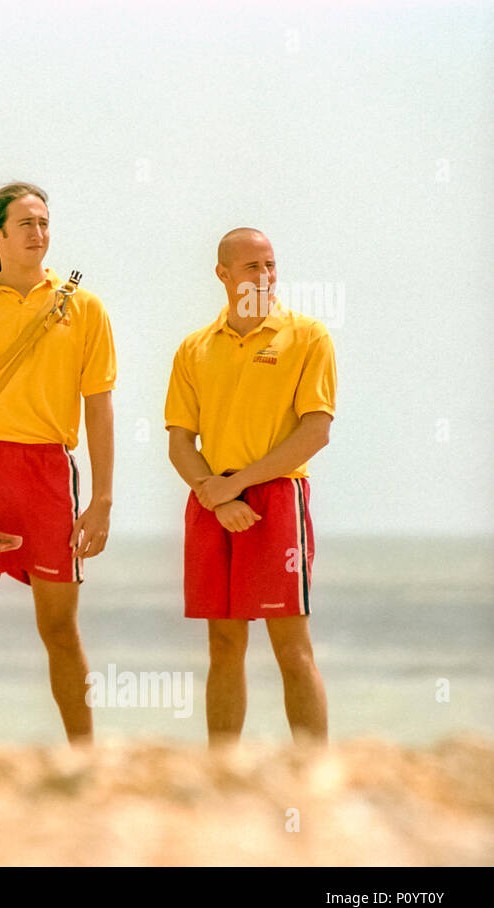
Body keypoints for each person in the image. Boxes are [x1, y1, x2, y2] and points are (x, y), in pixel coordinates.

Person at [0, 182, 116, 745]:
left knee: (59, 626)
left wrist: (101, 499)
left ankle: (85, 754)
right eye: (26, 224)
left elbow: (100, 408)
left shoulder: (82, 307)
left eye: (44, 223)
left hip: (47, 475)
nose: (39, 233)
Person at [165, 227, 336, 746]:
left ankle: (312, 767)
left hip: (275, 499)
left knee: (291, 643)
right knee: (223, 643)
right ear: (223, 274)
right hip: (211, 500)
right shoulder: (195, 347)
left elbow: (316, 432)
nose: (263, 277)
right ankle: (223, 768)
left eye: (270, 266)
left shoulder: (307, 335)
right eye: (250, 268)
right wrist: (215, 497)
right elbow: (179, 443)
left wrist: (234, 487)